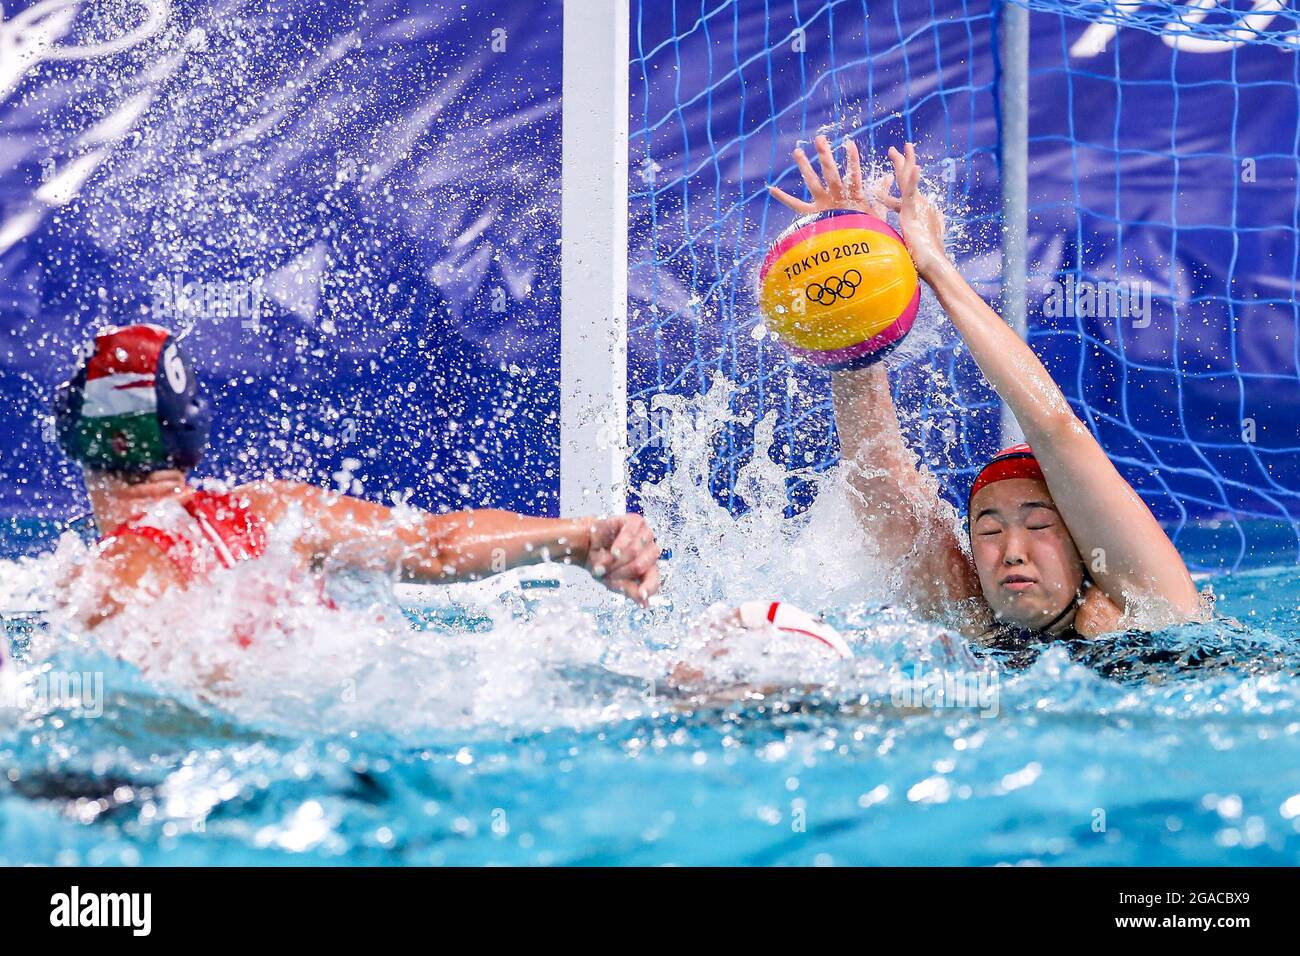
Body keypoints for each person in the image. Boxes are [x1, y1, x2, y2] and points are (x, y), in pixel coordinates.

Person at [769, 137, 1204, 643]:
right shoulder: (974, 626)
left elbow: (1055, 428)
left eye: (1039, 526)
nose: (1012, 551)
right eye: (989, 532)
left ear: (1088, 548)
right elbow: (879, 481)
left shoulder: (1152, 607)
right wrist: (846, 313)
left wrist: (933, 265)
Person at [53, 323, 661, 633]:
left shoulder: (115, 577)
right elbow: (439, 544)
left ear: (78, 436)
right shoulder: (273, 510)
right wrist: (582, 537)